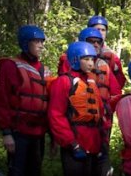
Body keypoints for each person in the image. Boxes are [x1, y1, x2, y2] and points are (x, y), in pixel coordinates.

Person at [0, 24, 50, 176]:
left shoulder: (44, 70)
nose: (41, 45)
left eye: (42, 42)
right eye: (36, 41)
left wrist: (52, 135)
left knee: (35, 172)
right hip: (18, 133)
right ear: (26, 43)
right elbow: (2, 100)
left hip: (38, 134)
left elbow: (49, 103)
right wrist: (6, 132)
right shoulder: (10, 66)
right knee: (17, 172)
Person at [48, 41, 107, 176]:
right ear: (75, 59)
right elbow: (56, 115)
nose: (91, 63)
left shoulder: (91, 82)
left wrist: (103, 142)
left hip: (94, 143)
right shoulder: (64, 81)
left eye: (92, 59)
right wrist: (72, 143)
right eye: (86, 59)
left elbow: (100, 113)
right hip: (75, 143)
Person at [59, 26, 124, 132]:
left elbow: (116, 92)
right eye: (91, 41)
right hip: (76, 122)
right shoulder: (70, 63)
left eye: (98, 42)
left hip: (101, 120)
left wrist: (107, 111)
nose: (95, 45)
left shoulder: (104, 65)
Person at [86, 15, 127, 89]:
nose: (100, 32)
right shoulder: (78, 50)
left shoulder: (112, 56)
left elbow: (120, 82)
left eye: (103, 30)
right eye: (98, 29)